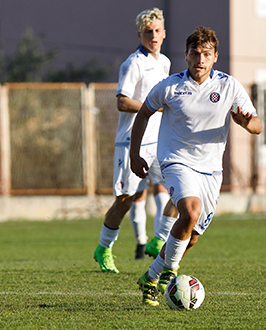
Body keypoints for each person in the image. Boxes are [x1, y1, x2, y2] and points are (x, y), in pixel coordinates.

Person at [130, 26, 262, 306]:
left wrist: (245, 122)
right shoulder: (170, 86)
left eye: (206, 54)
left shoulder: (229, 86)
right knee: (189, 211)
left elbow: (257, 125)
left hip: (211, 170)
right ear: (186, 56)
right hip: (176, 160)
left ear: (215, 57)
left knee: (190, 237)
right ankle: (169, 272)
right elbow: (143, 114)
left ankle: (150, 278)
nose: (200, 59)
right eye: (195, 53)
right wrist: (134, 154)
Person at [93, 7, 171, 273]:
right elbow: (122, 102)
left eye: (157, 31)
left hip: (160, 142)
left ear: (164, 33)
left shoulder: (165, 63)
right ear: (140, 34)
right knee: (125, 200)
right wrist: (151, 106)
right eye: (148, 32)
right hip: (131, 143)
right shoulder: (133, 63)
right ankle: (104, 247)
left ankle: (158, 240)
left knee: (178, 190)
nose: (153, 35)